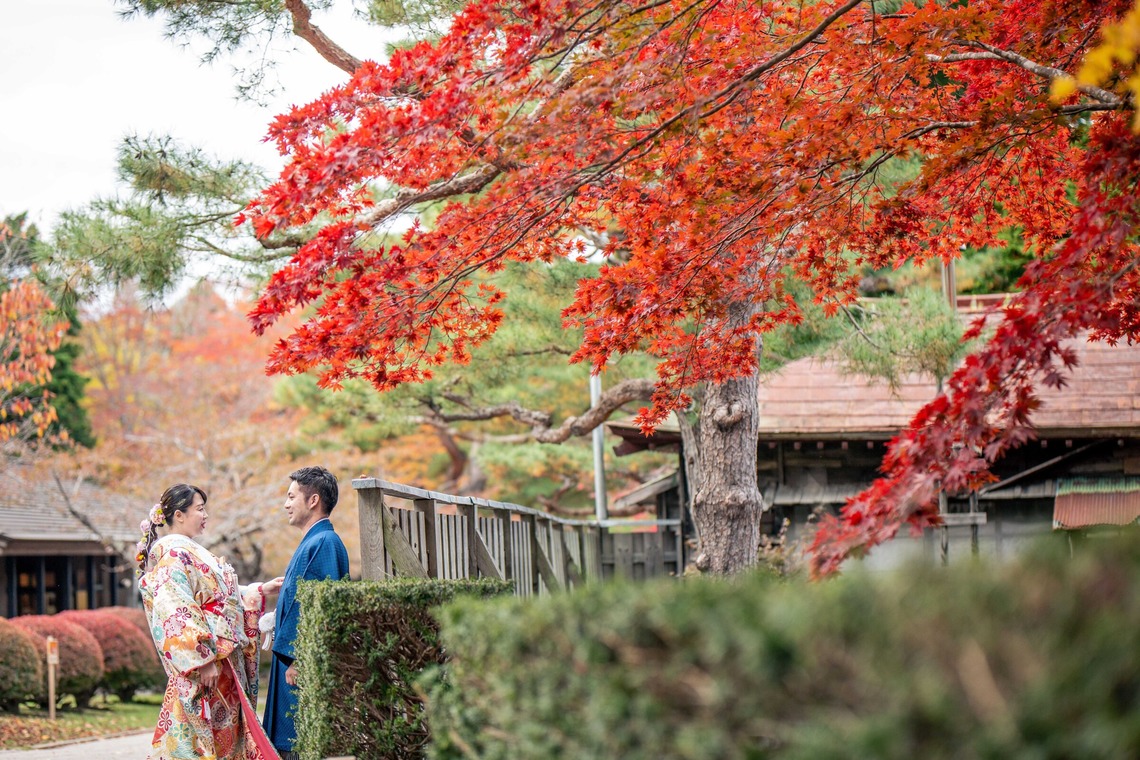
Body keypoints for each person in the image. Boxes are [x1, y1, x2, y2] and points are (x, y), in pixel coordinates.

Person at [136, 484, 284, 760]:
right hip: (205, 664)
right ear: (179, 515)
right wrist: (201, 657)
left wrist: (258, 590)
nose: (205, 515)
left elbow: (219, 597)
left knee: (222, 736)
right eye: (200, 509)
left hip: (222, 661)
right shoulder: (172, 555)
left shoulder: (190, 552)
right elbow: (175, 608)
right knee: (200, 740)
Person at [263, 466, 350, 760]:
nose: (286, 504)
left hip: (299, 668)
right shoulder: (316, 541)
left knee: (298, 745)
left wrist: (300, 657)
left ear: (313, 501)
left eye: (291, 497)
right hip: (294, 665)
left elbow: (319, 607)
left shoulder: (324, 542)